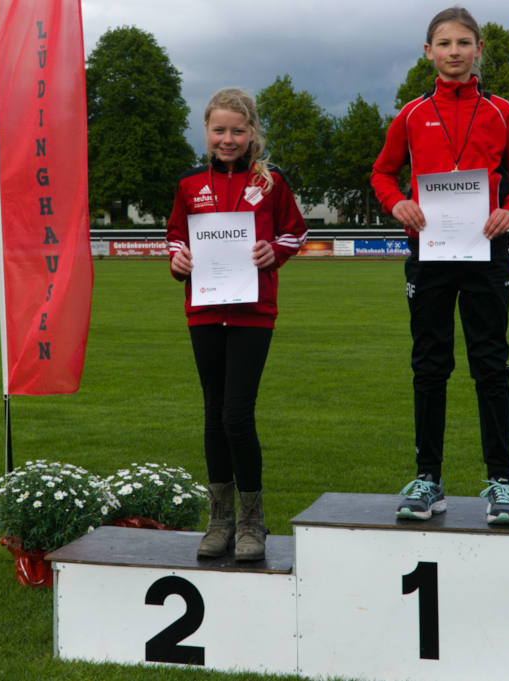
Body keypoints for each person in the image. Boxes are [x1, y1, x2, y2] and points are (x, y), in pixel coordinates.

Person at [371, 7, 509, 525]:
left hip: (486, 252)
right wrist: (396, 203)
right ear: (428, 52)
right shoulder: (411, 113)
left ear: (479, 50)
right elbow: (383, 173)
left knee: (490, 364)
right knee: (430, 365)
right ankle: (428, 479)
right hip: (430, 254)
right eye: (444, 43)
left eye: (463, 43)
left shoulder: (503, 111)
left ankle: (501, 484)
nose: (454, 52)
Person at [166, 88, 307, 560]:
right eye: (219, 130)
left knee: (236, 415)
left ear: (252, 135)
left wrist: (276, 252)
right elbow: (175, 236)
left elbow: (295, 231)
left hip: (253, 312)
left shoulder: (271, 182)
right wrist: (179, 259)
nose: (228, 139)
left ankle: (252, 523)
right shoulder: (189, 184)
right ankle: (219, 519)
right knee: (212, 414)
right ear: (206, 132)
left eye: (237, 131)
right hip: (204, 310)